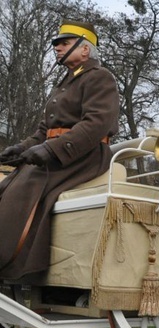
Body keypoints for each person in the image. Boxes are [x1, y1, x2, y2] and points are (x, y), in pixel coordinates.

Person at [0, 19, 119, 280]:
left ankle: (14, 267)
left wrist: (52, 150)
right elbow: (44, 132)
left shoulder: (100, 77)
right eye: (56, 44)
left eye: (64, 43)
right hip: (62, 153)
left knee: (25, 186)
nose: (57, 48)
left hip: (84, 155)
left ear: (85, 49)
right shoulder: (65, 84)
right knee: (6, 184)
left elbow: (98, 123)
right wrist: (21, 149)